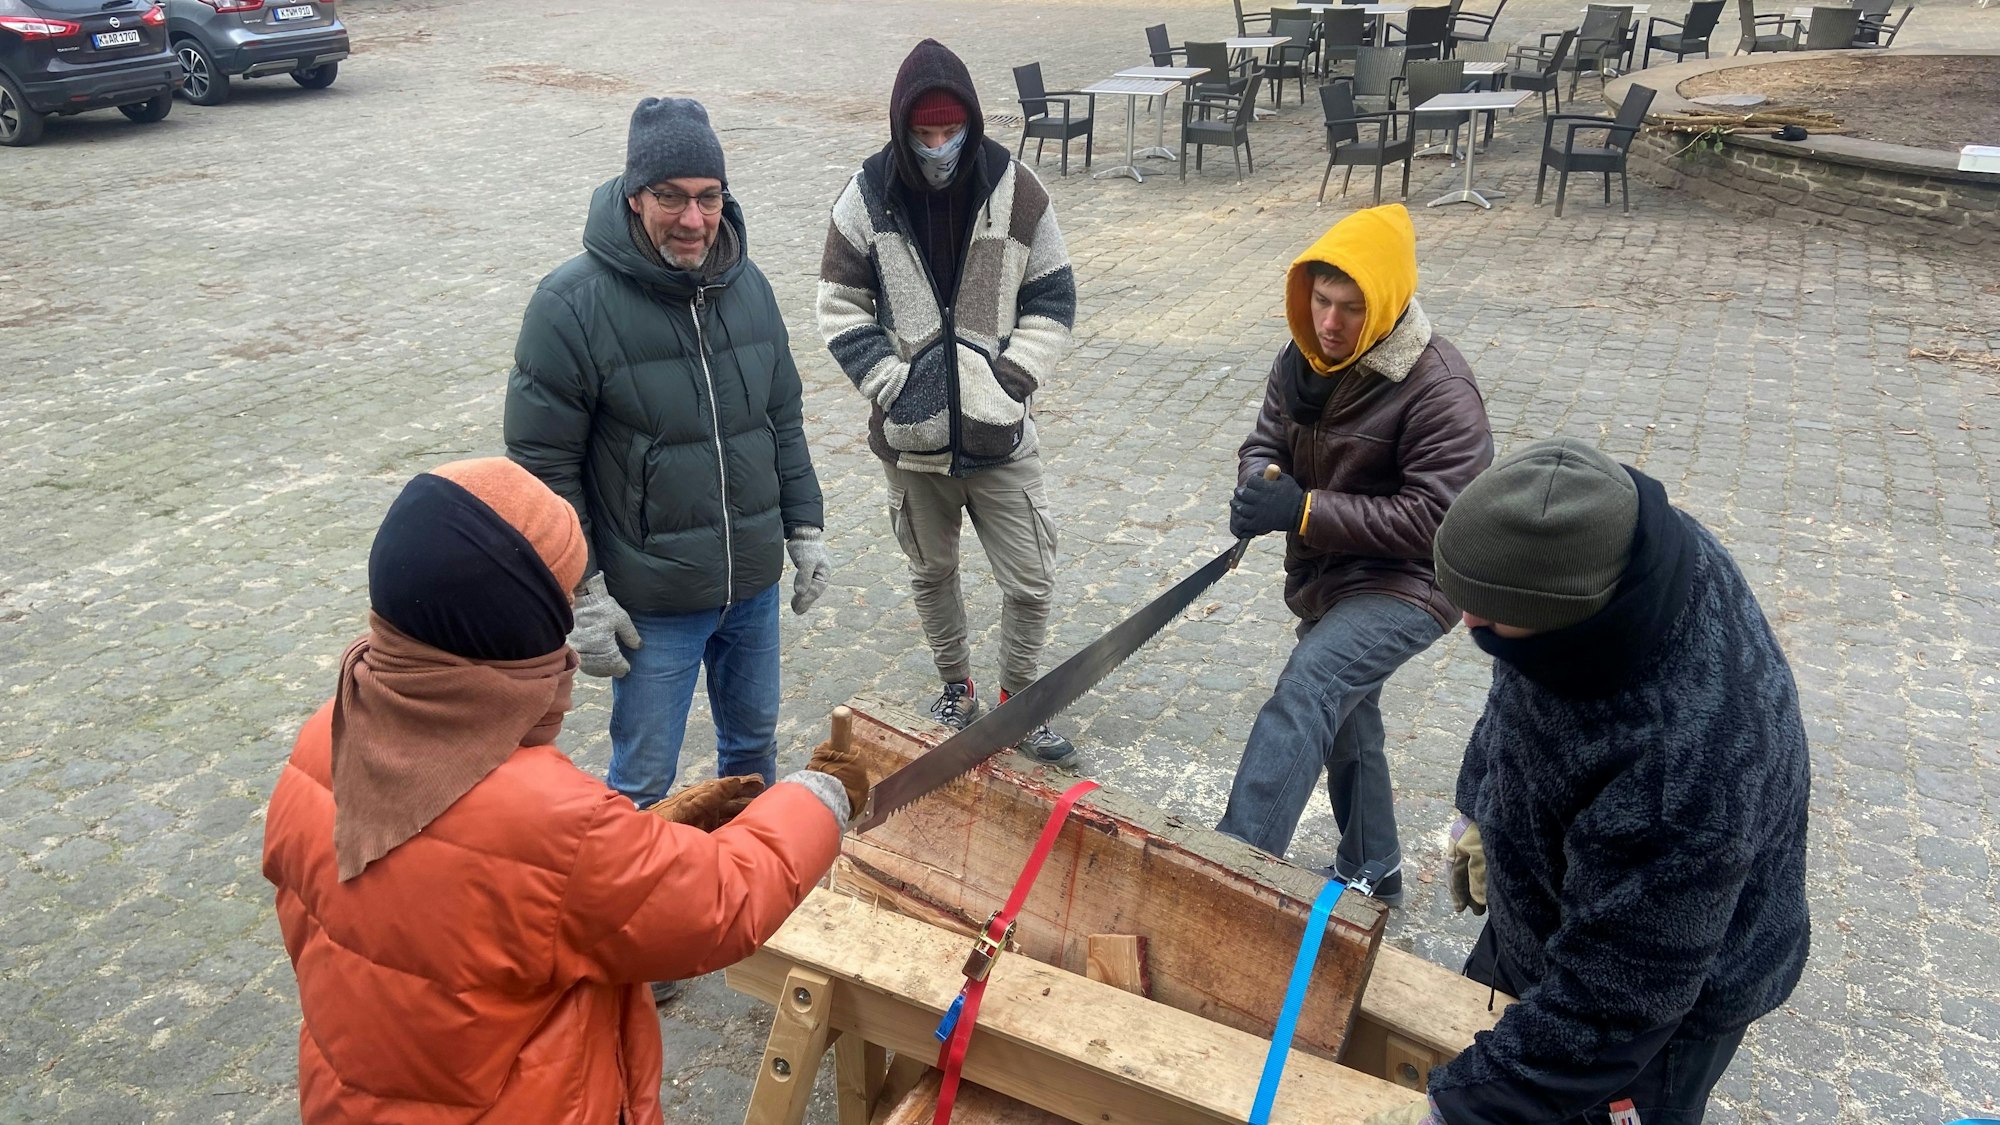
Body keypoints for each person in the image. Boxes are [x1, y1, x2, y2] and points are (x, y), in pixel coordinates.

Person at [262, 458, 868, 1124]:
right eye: (565, 603)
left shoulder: (327, 734)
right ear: (519, 630)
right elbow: (722, 900)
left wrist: (646, 835)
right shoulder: (546, 818)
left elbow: (474, 900)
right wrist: (819, 793)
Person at [1370, 438, 1811, 1125]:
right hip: (1559, 915)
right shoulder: (1604, 559)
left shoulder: (1685, 768)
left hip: (1658, 1010)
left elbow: (1616, 1004)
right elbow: (1519, 685)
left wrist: (1460, 1108)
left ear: (1571, 611)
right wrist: (1478, 800)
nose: (1467, 622)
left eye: (1488, 612)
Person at [506, 96, 831, 809]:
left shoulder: (748, 286)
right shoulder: (570, 305)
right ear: (634, 196)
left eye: (709, 197)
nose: (693, 219)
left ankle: (745, 898)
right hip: (652, 602)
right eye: (671, 197)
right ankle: (632, 914)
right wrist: (582, 591)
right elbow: (543, 469)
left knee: (751, 754)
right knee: (642, 781)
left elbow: (782, 415)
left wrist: (803, 526)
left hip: (750, 587)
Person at [1216, 204, 1493, 902]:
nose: (1329, 323)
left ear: (1386, 305)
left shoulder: (1439, 388)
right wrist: (1259, 488)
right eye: (1319, 301)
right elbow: (1265, 443)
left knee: (1311, 687)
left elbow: (1438, 518)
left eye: (1349, 307)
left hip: (1416, 581)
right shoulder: (1303, 357)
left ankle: (1227, 875)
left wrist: (1304, 509)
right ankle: (1375, 865)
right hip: (1333, 572)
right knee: (1348, 710)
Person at [816, 39, 1077, 761]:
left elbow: (1053, 292)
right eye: (923, 133)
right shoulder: (866, 196)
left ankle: (1016, 703)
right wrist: (894, 386)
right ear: (902, 127)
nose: (937, 146)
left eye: (948, 130)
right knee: (931, 572)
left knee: (1030, 577)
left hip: (1001, 436)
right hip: (911, 442)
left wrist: (1013, 378)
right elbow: (839, 305)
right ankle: (954, 684)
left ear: (969, 122)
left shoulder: (1016, 189)